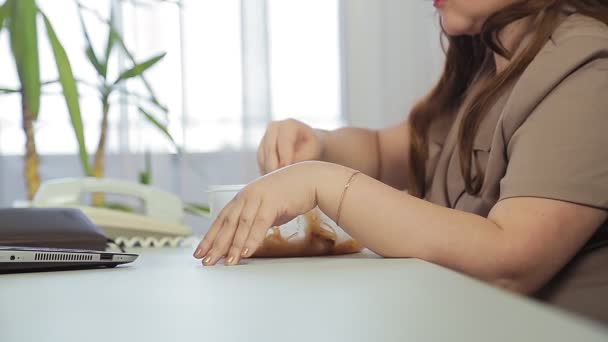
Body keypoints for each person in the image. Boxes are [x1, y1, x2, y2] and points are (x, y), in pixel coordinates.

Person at [194, 0, 608, 323]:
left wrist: (319, 181)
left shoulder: (588, 70)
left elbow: (511, 263)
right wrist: (320, 145)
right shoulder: (491, 66)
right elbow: (388, 150)